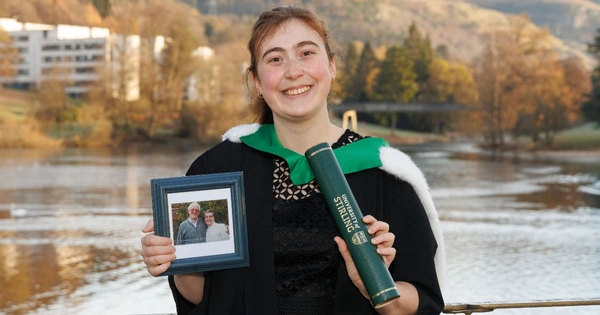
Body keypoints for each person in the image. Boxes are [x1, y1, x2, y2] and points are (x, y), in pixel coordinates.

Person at [141, 5, 445, 315]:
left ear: (331, 65)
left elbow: (422, 303)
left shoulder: (384, 173)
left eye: (306, 53)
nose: (293, 71)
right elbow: (200, 297)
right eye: (275, 59)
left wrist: (376, 285)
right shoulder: (218, 169)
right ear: (257, 81)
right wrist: (172, 260)